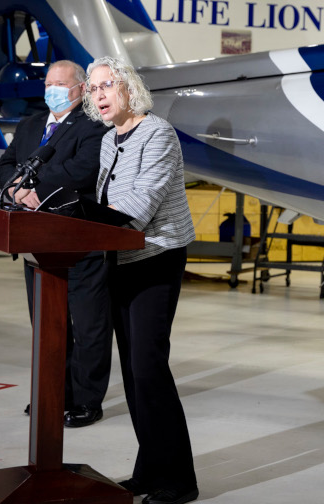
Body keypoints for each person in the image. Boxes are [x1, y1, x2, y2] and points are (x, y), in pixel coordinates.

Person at [85, 56, 198, 504]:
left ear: (129, 88)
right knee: (133, 373)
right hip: (121, 259)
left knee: (149, 368)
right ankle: (150, 471)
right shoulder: (109, 140)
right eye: (92, 89)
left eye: (106, 85)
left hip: (157, 258)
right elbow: (103, 198)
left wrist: (92, 216)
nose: (98, 95)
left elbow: (142, 200)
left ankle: (179, 481)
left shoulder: (158, 133)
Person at [0, 59, 111, 428]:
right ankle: (53, 393)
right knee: (47, 323)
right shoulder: (30, 125)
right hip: (36, 243)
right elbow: (5, 164)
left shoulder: (93, 127)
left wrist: (35, 189)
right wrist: (13, 188)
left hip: (79, 240)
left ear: (80, 89)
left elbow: (83, 169)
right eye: (48, 83)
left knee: (88, 326)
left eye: (60, 83)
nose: (52, 89)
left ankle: (87, 401)